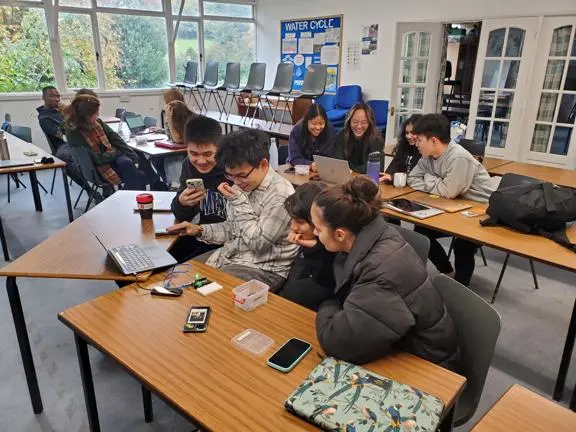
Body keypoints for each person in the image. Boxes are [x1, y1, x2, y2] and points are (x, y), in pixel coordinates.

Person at [311, 176, 460, 368]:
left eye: (318, 229)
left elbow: (339, 343)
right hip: (400, 341)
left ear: (340, 234)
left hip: (427, 364)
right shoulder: (375, 233)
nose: (314, 233)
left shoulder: (379, 272)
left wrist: (328, 303)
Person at [167, 129, 299, 290]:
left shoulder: (281, 194)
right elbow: (233, 229)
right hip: (233, 255)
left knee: (201, 290)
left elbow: (257, 243)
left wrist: (238, 202)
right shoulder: (244, 184)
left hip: (263, 268)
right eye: (230, 176)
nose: (236, 182)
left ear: (263, 165)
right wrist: (199, 230)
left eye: (242, 175)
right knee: (176, 277)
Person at [407, 113, 496, 286]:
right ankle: (447, 271)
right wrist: (438, 183)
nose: (416, 144)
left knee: (463, 244)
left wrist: (429, 179)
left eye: (419, 140)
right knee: (421, 230)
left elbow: (448, 191)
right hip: (454, 208)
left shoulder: (458, 157)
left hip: (482, 212)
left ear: (433, 140)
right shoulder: (427, 157)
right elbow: (412, 178)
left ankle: (461, 288)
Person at [169, 115, 228, 262]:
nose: (201, 161)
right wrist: (181, 202)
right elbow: (182, 216)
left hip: (226, 241)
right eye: (193, 153)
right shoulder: (188, 166)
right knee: (159, 260)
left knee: (179, 269)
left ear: (219, 149)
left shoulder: (232, 167)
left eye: (208, 154)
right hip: (200, 234)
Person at [63, 95, 148, 191]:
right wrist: (116, 153)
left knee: (131, 163)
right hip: (97, 168)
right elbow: (97, 159)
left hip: (110, 158)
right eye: (95, 113)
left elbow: (116, 139)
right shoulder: (74, 133)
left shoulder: (98, 123)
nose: (98, 115)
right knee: (139, 175)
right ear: (86, 116)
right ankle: (134, 194)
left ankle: (128, 194)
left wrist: (133, 156)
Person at [280, 182, 335, 311]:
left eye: (299, 222)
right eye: (292, 220)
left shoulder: (334, 257)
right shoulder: (309, 243)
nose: (293, 227)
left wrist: (316, 247)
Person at [36, 86, 95, 198]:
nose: (57, 99)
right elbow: (62, 134)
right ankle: (90, 191)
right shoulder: (44, 118)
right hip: (63, 145)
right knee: (63, 158)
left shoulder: (62, 110)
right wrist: (67, 115)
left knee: (101, 146)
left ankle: (107, 187)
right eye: (52, 96)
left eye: (58, 96)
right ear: (44, 98)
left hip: (78, 139)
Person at [334, 102, 385, 174]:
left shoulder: (377, 139)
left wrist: (351, 170)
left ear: (370, 123)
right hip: (345, 177)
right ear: (349, 121)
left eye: (364, 122)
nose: (359, 126)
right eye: (355, 122)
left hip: (367, 178)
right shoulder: (341, 135)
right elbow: (337, 162)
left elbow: (375, 167)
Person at [287, 103, 335, 171]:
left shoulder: (330, 131)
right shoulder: (296, 131)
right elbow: (294, 158)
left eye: (321, 123)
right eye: (314, 123)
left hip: (321, 171)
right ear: (306, 121)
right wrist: (310, 164)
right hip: (299, 171)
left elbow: (330, 157)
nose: (318, 127)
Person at [380, 113, 422, 182]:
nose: (408, 136)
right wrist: (389, 177)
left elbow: (418, 178)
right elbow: (389, 172)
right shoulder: (403, 147)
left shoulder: (425, 153)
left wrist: (393, 178)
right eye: (407, 133)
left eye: (413, 133)